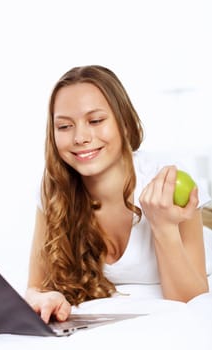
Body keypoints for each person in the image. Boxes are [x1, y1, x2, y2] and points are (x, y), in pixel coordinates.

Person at [25, 65, 211, 324]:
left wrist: (163, 226)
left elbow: (193, 304)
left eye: (96, 121)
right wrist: (44, 299)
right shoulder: (55, 189)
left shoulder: (167, 183)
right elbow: (36, 288)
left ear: (124, 122)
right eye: (65, 126)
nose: (80, 137)